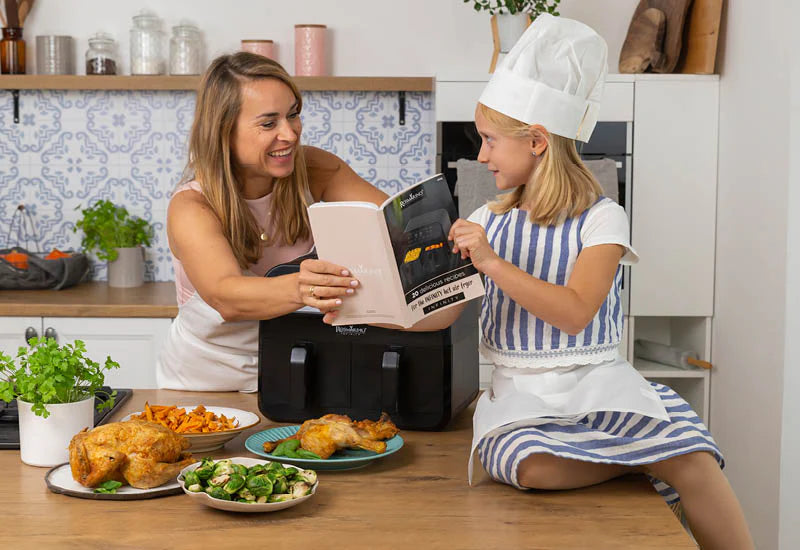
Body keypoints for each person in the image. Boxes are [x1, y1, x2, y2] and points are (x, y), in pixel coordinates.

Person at [405, 15, 751, 550]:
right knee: (531, 468)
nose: (481, 155)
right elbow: (447, 313)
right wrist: (381, 302)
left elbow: (574, 313)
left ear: (538, 141)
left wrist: (494, 264)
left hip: (600, 387)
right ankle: (636, 463)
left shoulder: (602, 218)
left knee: (696, 459)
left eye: (491, 140)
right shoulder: (491, 218)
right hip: (520, 398)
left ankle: (656, 462)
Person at [156, 52, 385, 392]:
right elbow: (226, 297)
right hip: (205, 381)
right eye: (268, 123)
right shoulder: (191, 206)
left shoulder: (314, 170)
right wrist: (304, 287)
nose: (290, 134)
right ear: (224, 131)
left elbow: (390, 224)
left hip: (298, 367)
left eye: (293, 115)